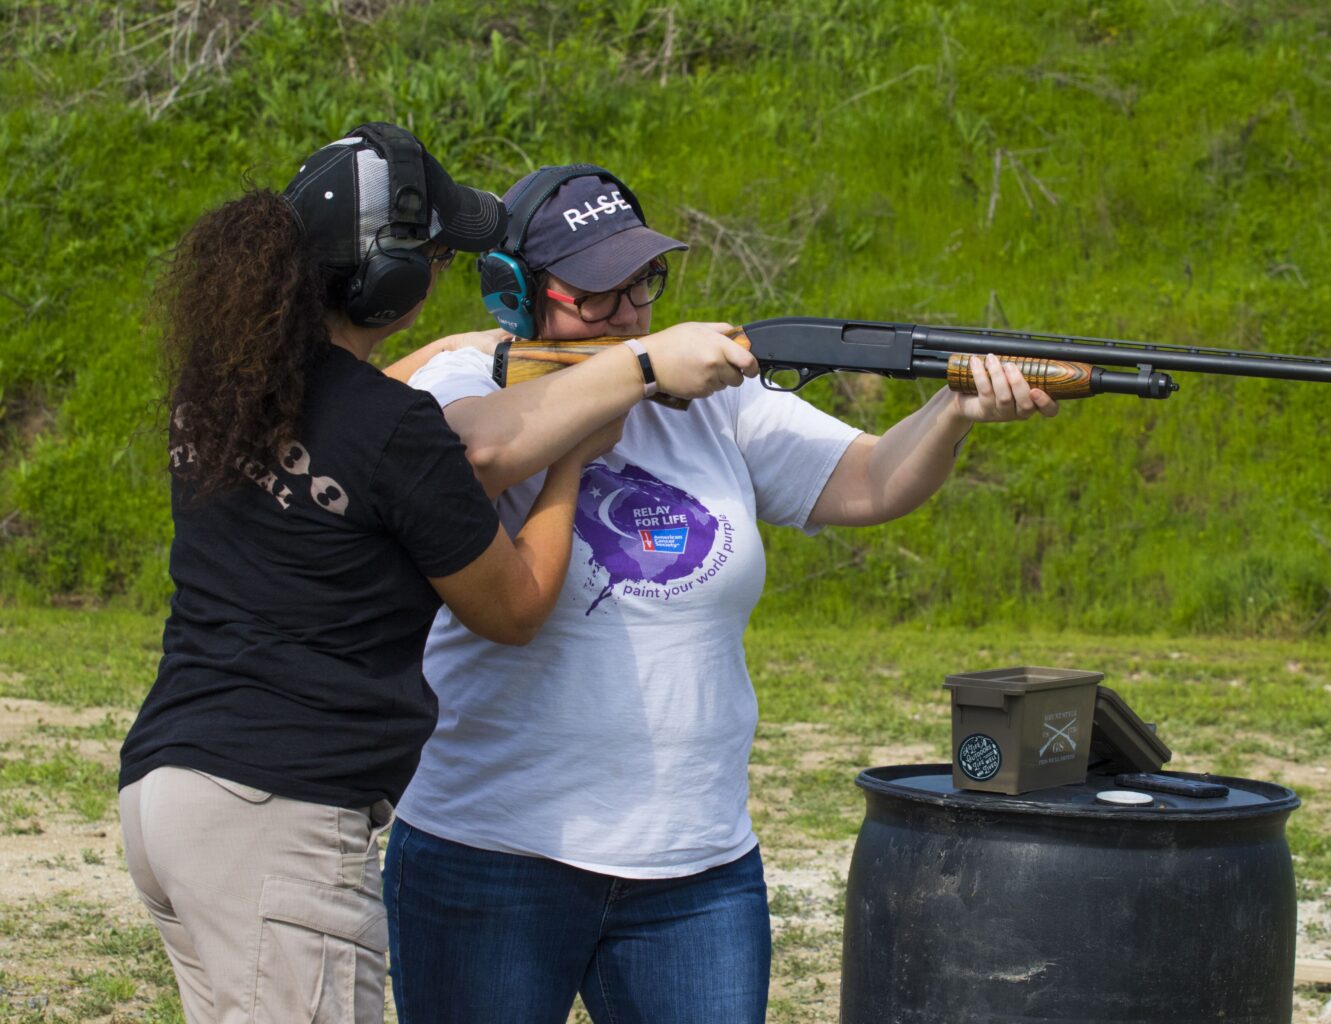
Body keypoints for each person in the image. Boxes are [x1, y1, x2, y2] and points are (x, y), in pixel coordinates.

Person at [382, 164, 1058, 1024]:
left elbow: (870, 481)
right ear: (514, 293)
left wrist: (952, 412)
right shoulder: (472, 385)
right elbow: (462, 460)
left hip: (694, 865)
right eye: (598, 294)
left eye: (644, 284)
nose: (630, 311)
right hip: (491, 848)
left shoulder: (709, 399)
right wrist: (632, 368)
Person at [116, 125, 635, 1024]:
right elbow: (512, 609)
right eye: (434, 255)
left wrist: (453, 358)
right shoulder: (397, 431)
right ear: (388, 278)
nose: (439, 276)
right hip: (281, 816)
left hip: (169, 795)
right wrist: (571, 464)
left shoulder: (221, 388)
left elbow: (348, 427)